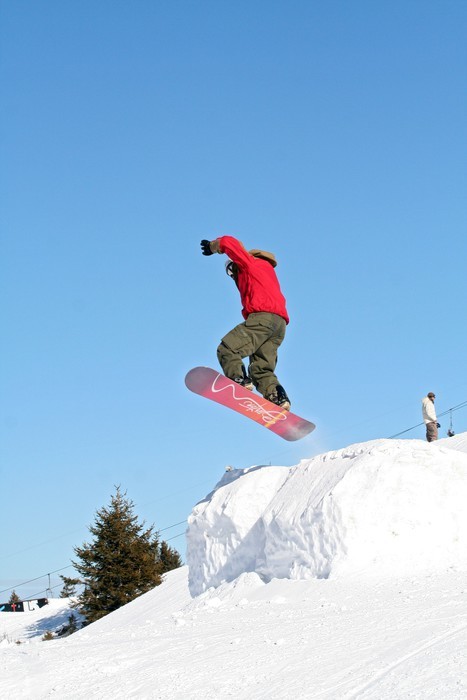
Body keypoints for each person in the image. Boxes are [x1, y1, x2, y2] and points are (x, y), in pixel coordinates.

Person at [200, 235, 291, 409]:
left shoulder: (250, 264)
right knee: (261, 369)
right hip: (278, 326)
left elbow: (229, 242)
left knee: (228, 349)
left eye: (231, 271)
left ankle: (239, 380)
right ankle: (277, 397)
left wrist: (213, 246)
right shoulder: (267, 272)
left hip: (262, 319)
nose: (233, 276)